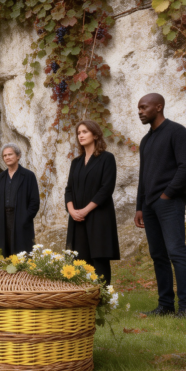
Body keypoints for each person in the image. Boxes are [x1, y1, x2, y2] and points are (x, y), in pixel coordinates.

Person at [134, 93, 186, 317]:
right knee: (158, 254)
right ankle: (165, 305)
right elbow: (143, 175)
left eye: (144, 107)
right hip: (150, 205)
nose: (140, 111)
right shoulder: (146, 140)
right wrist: (139, 207)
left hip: (169, 202)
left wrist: (167, 195)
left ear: (158, 107)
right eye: (139, 108)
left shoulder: (177, 132)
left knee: (176, 252)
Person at [64, 120, 120, 285]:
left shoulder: (107, 158)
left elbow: (106, 189)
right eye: (79, 133)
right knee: (80, 260)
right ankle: (82, 299)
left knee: (99, 259)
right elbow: (69, 189)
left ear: (95, 135)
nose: (80, 135)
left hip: (99, 216)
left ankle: (103, 300)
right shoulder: (76, 162)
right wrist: (72, 210)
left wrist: (85, 210)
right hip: (77, 218)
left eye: (85, 132)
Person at [0, 143, 40, 256]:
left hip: (21, 217)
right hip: (2, 218)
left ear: (18, 156)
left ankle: (22, 274)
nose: (7, 157)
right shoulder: (0, 178)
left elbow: (34, 201)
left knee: (22, 252)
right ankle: (6, 273)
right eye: (5, 155)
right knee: (3, 251)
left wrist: (26, 218)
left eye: (10, 154)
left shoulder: (28, 176)